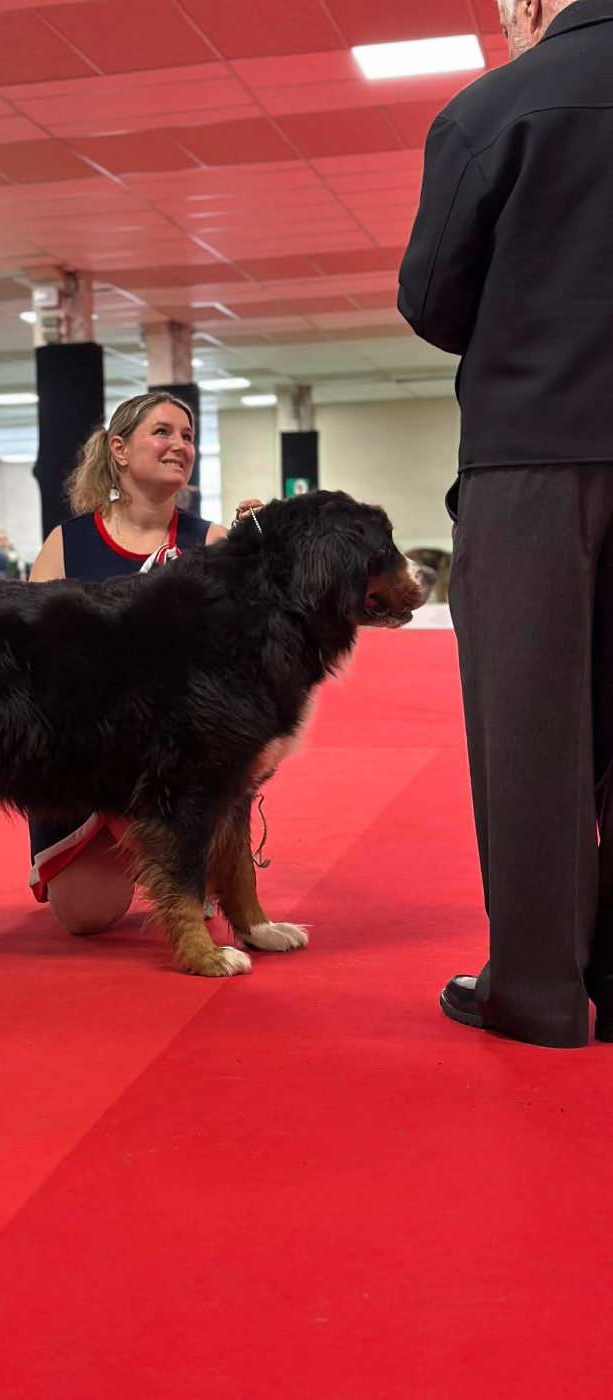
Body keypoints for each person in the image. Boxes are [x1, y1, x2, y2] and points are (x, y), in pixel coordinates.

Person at [399, 0, 613, 1047]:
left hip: (536, 453)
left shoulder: (498, 106)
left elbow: (435, 299)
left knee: (532, 728)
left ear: (532, 6)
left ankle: (539, 991)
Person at [27, 391, 232, 936]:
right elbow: (31, 657)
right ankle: (132, 848)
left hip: (174, 758)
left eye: (188, 437)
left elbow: (236, 667)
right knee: (87, 917)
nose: (180, 445)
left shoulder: (213, 541)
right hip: (82, 756)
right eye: (163, 432)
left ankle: (176, 849)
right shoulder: (65, 543)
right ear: (119, 449)